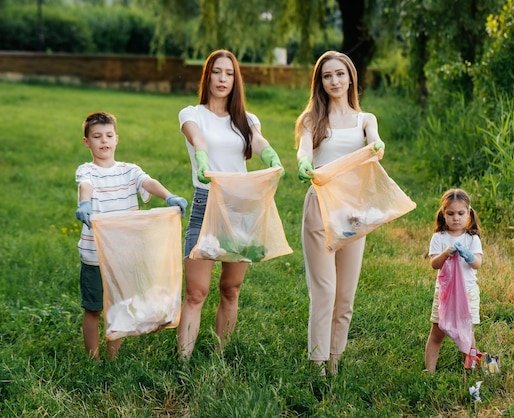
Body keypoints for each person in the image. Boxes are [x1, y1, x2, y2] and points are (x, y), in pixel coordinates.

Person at [177, 49, 284, 359]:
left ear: (236, 80)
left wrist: (270, 155)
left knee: (231, 289)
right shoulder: (192, 113)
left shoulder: (246, 119)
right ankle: (183, 362)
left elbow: (257, 140)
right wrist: (200, 153)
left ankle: (220, 357)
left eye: (229, 73)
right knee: (196, 292)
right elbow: (196, 137)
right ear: (207, 76)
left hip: (240, 207)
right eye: (216, 72)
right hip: (206, 202)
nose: (222, 79)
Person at [295, 51, 385, 376]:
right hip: (320, 205)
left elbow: (374, 141)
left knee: (345, 295)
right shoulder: (311, 120)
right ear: (320, 82)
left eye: (339, 74)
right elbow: (304, 149)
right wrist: (304, 162)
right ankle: (317, 365)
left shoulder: (365, 120)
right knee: (325, 290)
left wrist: (377, 146)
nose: (334, 81)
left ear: (350, 79)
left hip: (353, 212)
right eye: (327, 76)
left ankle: (335, 359)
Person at [75, 111, 188, 361]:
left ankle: (113, 356)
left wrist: (168, 196)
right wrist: (85, 205)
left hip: (124, 255)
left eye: (108, 135)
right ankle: (92, 359)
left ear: (117, 139)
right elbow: (86, 187)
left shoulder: (129, 171)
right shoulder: (87, 171)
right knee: (93, 308)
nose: (103, 141)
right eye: (96, 136)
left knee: (120, 306)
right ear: (87, 142)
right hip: (94, 254)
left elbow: (148, 183)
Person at [424, 188, 483, 373]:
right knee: (437, 332)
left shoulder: (472, 239)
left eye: (460, 213)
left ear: (469, 213)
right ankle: (429, 370)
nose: (456, 218)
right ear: (443, 214)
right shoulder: (439, 238)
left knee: (468, 332)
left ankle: (470, 368)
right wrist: (445, 254)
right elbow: (434, 264)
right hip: (445, 294)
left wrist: (468, 256)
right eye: (450, 214)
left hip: (468, 293)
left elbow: (477, 264)